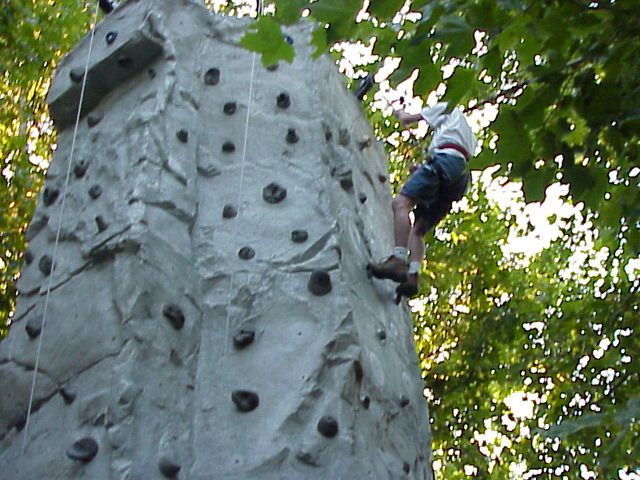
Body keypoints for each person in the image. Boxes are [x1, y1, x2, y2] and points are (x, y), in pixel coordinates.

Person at [367, 102, 476, 301]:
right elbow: (451, 162)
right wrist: (424, 170)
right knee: (418, 229)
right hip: (458, 177)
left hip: (443, 162)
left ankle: (398, 259)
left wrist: (400, 113)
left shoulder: (449, 106)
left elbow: (409, 119)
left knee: (400, 204)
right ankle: (412, 276)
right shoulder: (467, 135)